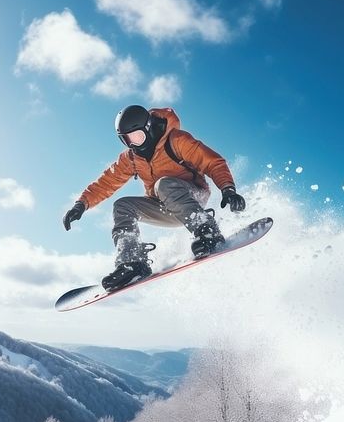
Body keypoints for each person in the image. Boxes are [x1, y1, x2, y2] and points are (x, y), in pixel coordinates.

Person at [62, 105, 246, 291]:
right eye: (127, 139)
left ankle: (207, 231)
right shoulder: (132, 157)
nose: (134, 143)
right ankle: (133, 262)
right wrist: (81, 204)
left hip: (192, 197)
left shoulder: (176, 140)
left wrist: (227, 189)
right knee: (122, 206)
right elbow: (107, 182)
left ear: (148, 127)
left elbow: (213, 162)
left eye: (137, 136)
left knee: (163, 184)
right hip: (163, 206)